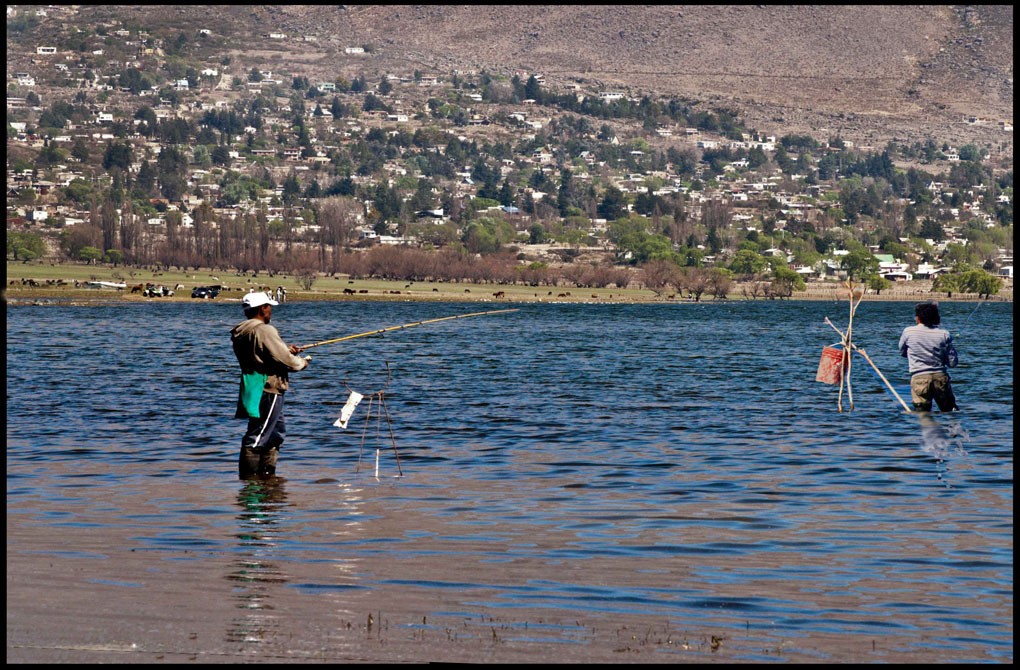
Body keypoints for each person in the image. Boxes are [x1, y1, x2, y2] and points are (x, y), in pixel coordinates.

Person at [231, 292, 310, 479]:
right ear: (262, 309)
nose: (271, 310)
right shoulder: (265, 330)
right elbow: (289, 363)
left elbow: (263, 352)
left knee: (275, 433)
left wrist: (284, 349)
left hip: (253, 386)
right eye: (269, 306)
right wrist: (302, 361)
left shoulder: (243, 330)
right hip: (269, 387)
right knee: (258, 435)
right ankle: (250, 484)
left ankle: (268, 480)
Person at [899, 301, 959, 412]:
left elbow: (902, 353)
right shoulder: (944, 334)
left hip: (919, 378)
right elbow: (952, 363)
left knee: (922, 414)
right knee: (949, 411)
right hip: (940, 378)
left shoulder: (908, 332)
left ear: (918, 318)